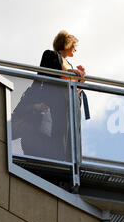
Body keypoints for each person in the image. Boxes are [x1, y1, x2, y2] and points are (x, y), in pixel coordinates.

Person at [17, 30, 89, 161]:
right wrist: (69, 72)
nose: (76, 50)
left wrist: (80, 79)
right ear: (67, 43)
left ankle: (69, 161)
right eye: (75, 45)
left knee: (67, 136)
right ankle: (58, 159)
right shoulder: (51, 55)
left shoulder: (71, 65)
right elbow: (46, 76)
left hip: (69, 107)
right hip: (55, 103)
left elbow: (75, 89)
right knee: (56, 133)